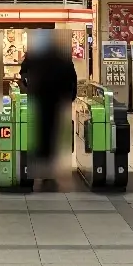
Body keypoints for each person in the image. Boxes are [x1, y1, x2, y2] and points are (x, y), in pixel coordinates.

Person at [19, 30, 78, 191]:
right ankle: (49, 165)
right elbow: (72, 78)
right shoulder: (62, 58)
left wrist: (28, 88)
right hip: (56, 100)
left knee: (39, 130)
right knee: (53, 131)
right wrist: (70, 96)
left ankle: (40, 162)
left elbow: (23, 73)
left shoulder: (33, 56)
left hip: (39, 98)